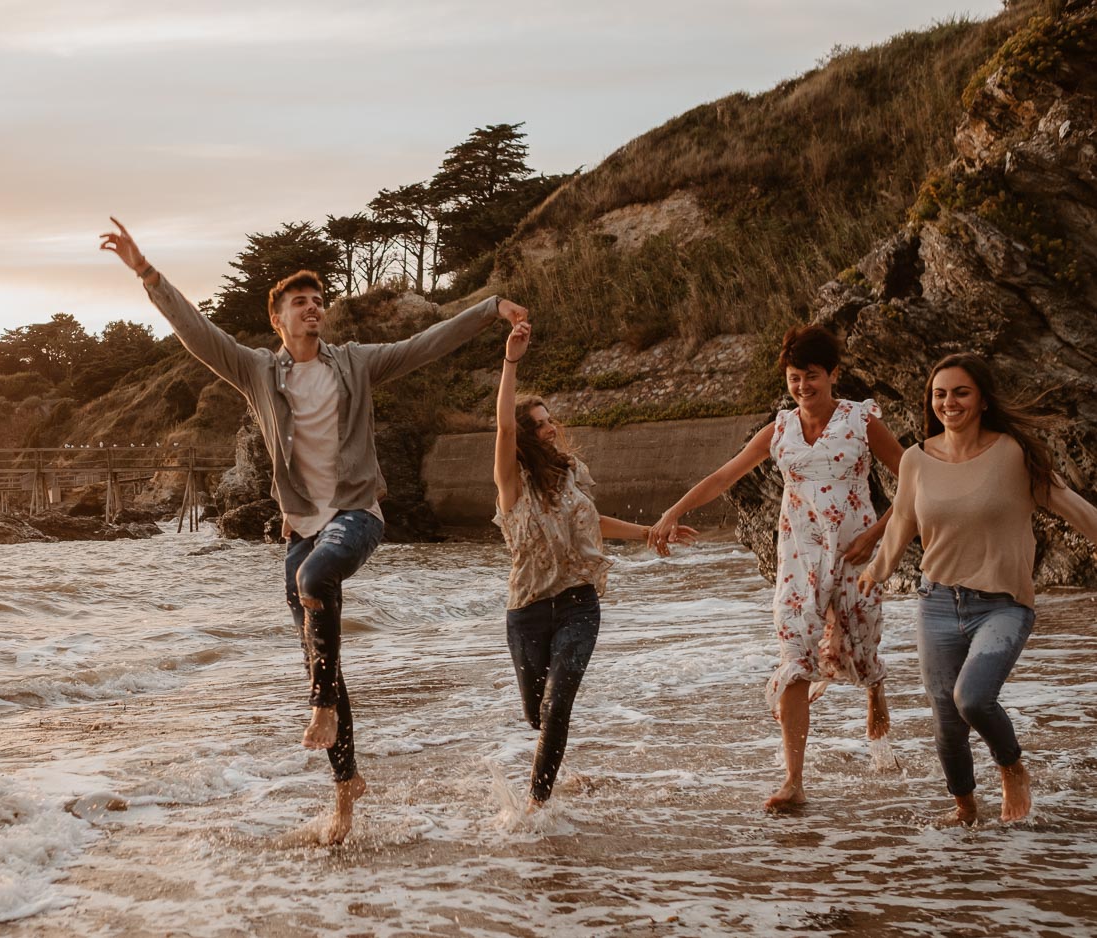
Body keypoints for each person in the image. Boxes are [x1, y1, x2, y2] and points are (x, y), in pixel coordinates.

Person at [100, 218, 527, 844]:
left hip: (357, 514)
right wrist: (146, 273)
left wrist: (488, 309)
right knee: (318, 653)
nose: (314, 308)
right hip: (301, 528)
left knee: (315, 582)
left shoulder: (355, 364)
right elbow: (195, 331)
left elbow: (426, 344)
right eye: (300, 302)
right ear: (277, 318)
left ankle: (322, 709)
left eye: (319, 301)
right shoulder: (255, 372)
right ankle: (345, 790)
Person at [648, 324, 903, 811]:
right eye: (793, 378)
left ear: (833, 375)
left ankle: (874, 689)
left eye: (811, 376)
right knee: (795, 658)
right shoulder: (780, 430)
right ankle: (793, 781)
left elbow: (914, 476)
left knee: (861, 640)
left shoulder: (860, 421)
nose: (803, 386)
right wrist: (673, 512)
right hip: (798, 557)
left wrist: (877, 533)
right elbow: (725, 474)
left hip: (857, 552)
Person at [858, 353, 1097, 825]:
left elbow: (1073, 507)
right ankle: (965, 810)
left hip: (1003, 607)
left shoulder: (1013, 454)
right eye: (940, 394)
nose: (949, 402)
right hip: (938, 603)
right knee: (946, 721)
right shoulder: (917, 460)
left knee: (971, 698)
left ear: (983, 399)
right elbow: (903, 522)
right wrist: (873, 572)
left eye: (961, 392)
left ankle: (1011, 766)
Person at [494, 321, 694, 811]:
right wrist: (511, 361)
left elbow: (591, 522)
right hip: (528, 609)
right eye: (537, 424)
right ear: (522, 436)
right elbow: (500, 425)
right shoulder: (511, 481)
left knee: (558, 702)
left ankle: (534, 807)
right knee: (537, 714)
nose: (548, 428)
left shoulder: (571, 473)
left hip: (580, 602)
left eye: (549, 420)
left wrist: (648, 533)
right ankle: (557, 773)